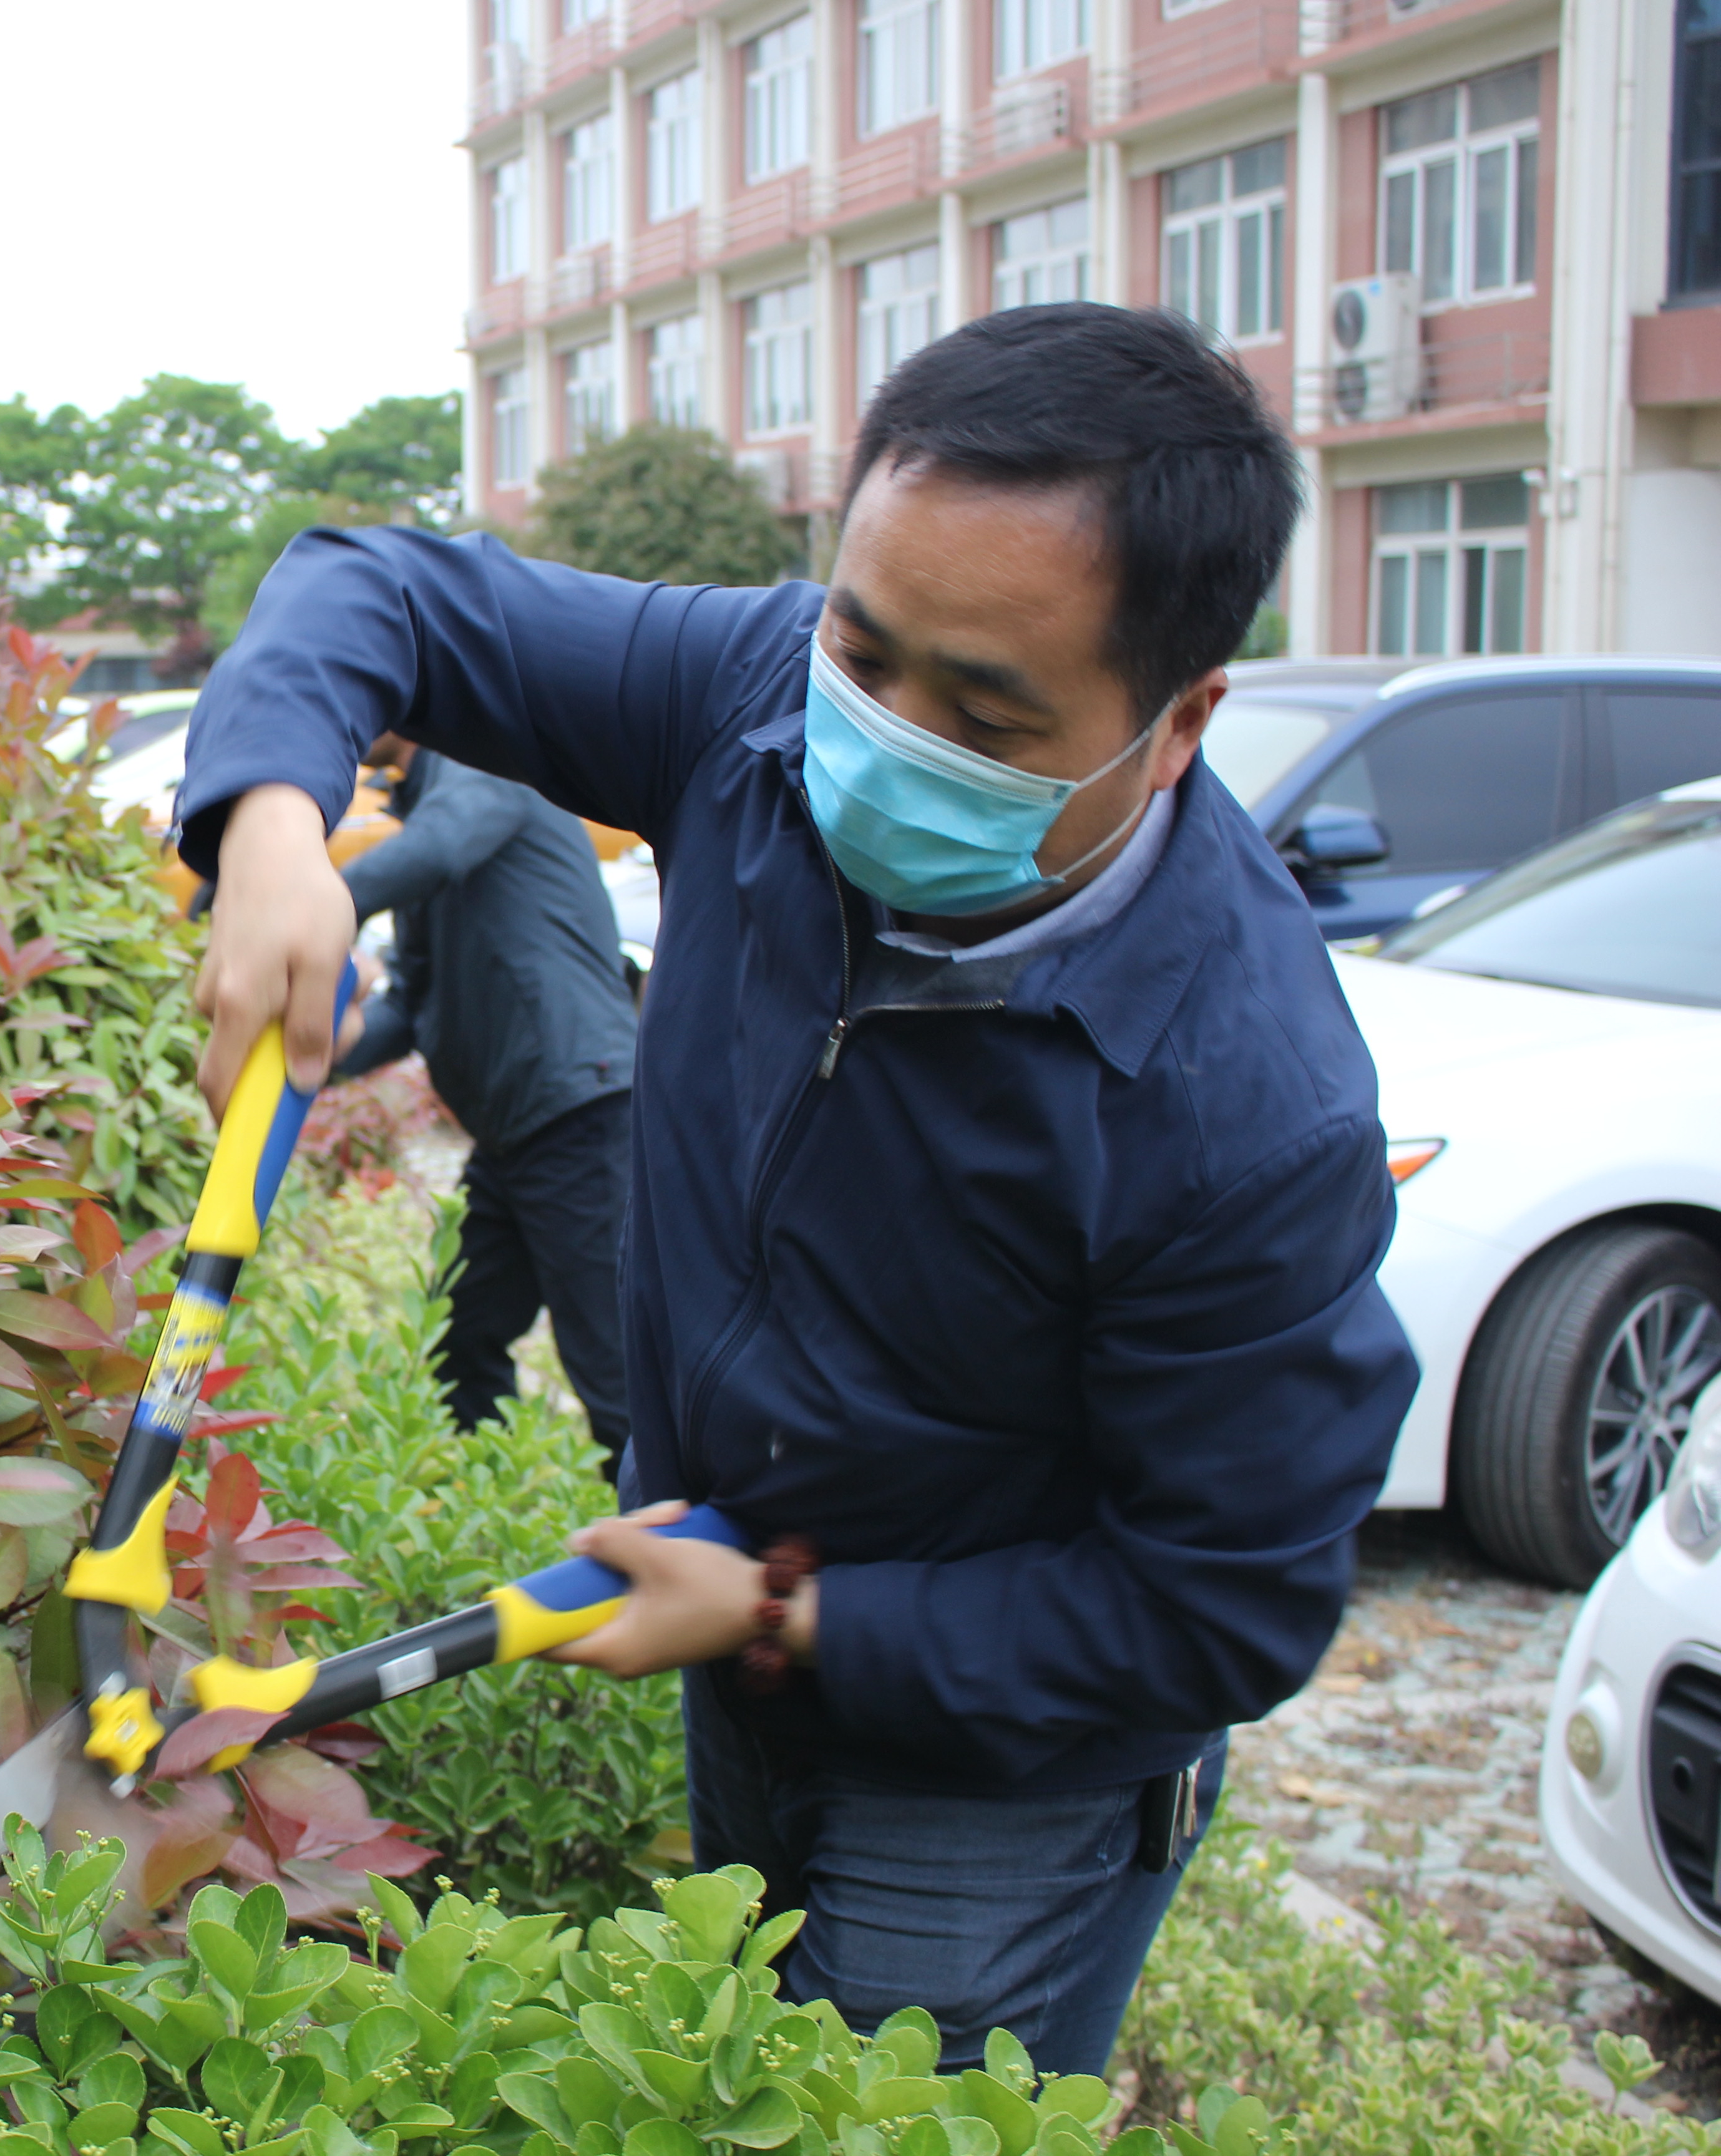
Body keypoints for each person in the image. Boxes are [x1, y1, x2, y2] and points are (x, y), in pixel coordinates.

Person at [173, 305, 1416, 2076]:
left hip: (993, 1787)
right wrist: (274, 832)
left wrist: (790, 1612)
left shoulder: (1242, 1110)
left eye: (984, 713)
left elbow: (1223, 1603)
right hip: (727, 1625)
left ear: (1180, 720)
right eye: (862, 645)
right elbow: (382, 589)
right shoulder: (764, 697)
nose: (877, 737)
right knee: (726, 2065)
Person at [331, 731, 636, 1481]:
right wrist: (312, 1061)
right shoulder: (431, 812)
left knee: (617, 1372)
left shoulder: (490, 760)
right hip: (513, 1137)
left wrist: (308, 902)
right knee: (460, 1337)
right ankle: (476, 1508)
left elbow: (439, 848)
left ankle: (676, 1557)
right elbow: (409, 1004)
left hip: (583, 1112)